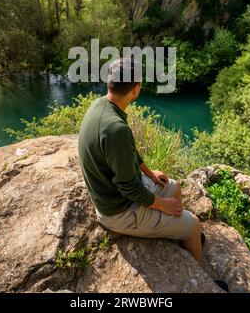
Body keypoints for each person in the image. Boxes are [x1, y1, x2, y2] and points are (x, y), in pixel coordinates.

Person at [78, 57, 202, 263]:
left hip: (115, 192)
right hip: (119, 211)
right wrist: (163, 205)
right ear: (135, 88)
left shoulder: (101, 105)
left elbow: (129, 152)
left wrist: (149, 173)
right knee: (194, 225)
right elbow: (128, 188)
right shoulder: (116, 129)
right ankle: (203, 274)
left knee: (174, 186)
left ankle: (177, 231)